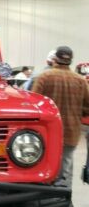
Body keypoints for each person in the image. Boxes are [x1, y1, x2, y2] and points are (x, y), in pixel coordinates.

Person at [33, 46, 89, 188]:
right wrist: (77, 111)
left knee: (44, 162)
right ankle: (64, 196)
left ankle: (45, 194)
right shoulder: (81, 81)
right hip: (71, 131)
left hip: (46, 133)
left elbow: (33, 103)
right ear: (70, 60)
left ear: (55, 58)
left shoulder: (44, 77)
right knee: (66, 162)